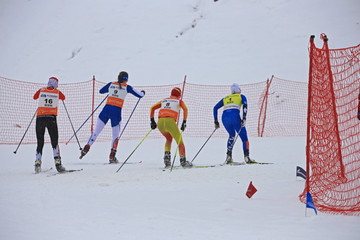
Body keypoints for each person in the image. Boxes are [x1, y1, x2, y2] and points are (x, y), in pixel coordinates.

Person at [80, 71, 145, 163]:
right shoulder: (127, 87)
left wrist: (111, 91)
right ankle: (112, 156)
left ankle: (86, 147)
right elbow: (140, 95)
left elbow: (101, 91)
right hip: (116, 112)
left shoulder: (111, 84)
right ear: (126, 79)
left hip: (105, 110)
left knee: (96, 132)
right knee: (115, 135)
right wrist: (143, 92)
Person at [150, 87, 192, 168]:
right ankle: (183, 162)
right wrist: (184, 122)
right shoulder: (179, 101)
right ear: (179, 95)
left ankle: (167, 160)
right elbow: (185, 109)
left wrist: (152, 121)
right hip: (170, 122)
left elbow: (152, 108)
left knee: (169, 139)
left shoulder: (164, 100)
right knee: (180, 141)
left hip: (160, 123)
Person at [213, 83, 255, 164]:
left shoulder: (226, 98)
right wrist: (244, 118)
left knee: (231, 135)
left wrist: (216, 121)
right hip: (235, 117)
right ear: (238, 90)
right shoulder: (241, 96)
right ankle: (247, 157)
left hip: (224, 118)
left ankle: (228, 157)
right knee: (244, 138)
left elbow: (215, 108)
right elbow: (245, 106)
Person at [33, 77, 66, 173]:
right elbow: (63, 98)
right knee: (54, 141)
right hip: (51, 118)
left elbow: (35, 97)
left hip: (40, 118)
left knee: (40, 141)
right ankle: (58, 163)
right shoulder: (57, 92)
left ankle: (37, 163)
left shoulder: (42, 90)